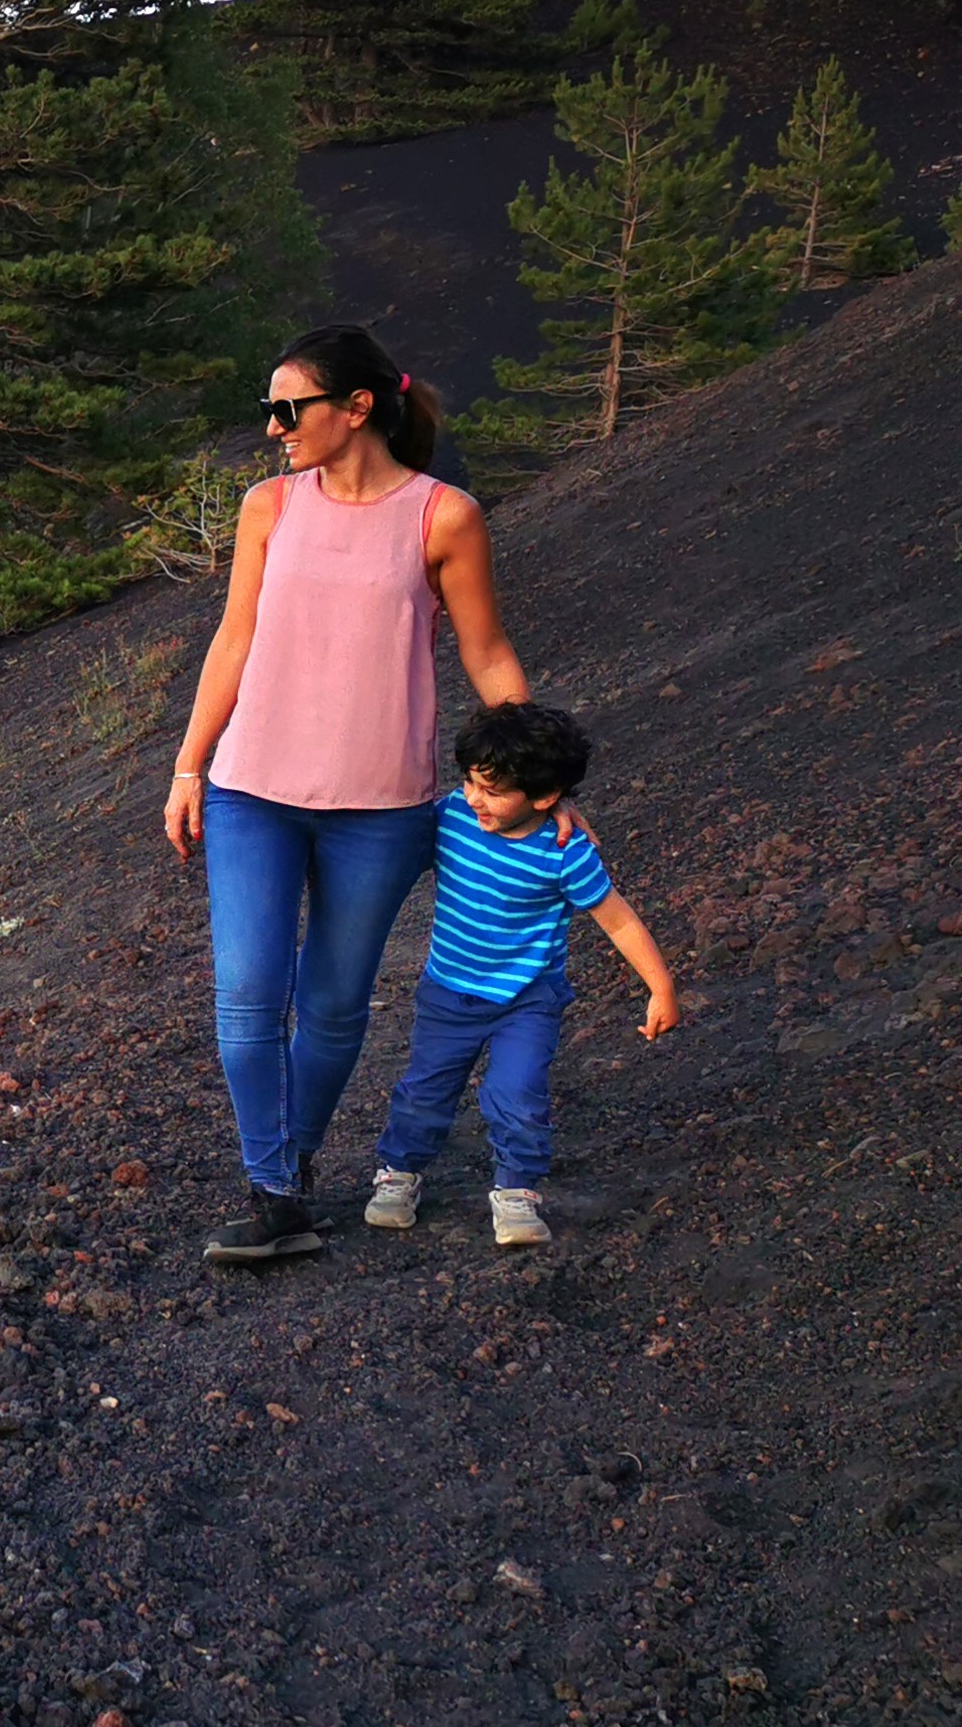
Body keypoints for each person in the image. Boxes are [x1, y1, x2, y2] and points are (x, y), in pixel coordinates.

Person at [164, 325, 552, 1267]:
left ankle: (287, 1185)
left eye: (287, 410)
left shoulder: (443, 517)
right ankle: (273, 1191)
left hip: (382, 807)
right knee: (249, 995)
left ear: (356, 408)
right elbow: (232, 640)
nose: (272, 429)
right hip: (252, 789)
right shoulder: (269, 506)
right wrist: (188, 764)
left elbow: (486, 652)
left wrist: (540, 774)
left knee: (334, 1008)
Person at [365, 704, 676, 1245]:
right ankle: (398, 1174)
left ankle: (516, 1191)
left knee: (518, 1092)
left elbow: (618, 921)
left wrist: (661, 987)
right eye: (468, 782)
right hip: (448, 992)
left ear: (545, 796)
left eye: (491, 790)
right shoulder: (452, 818)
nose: (473, 798)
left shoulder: (565, 853)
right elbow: (386, 841)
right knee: (425, 1088)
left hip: (527, 999)